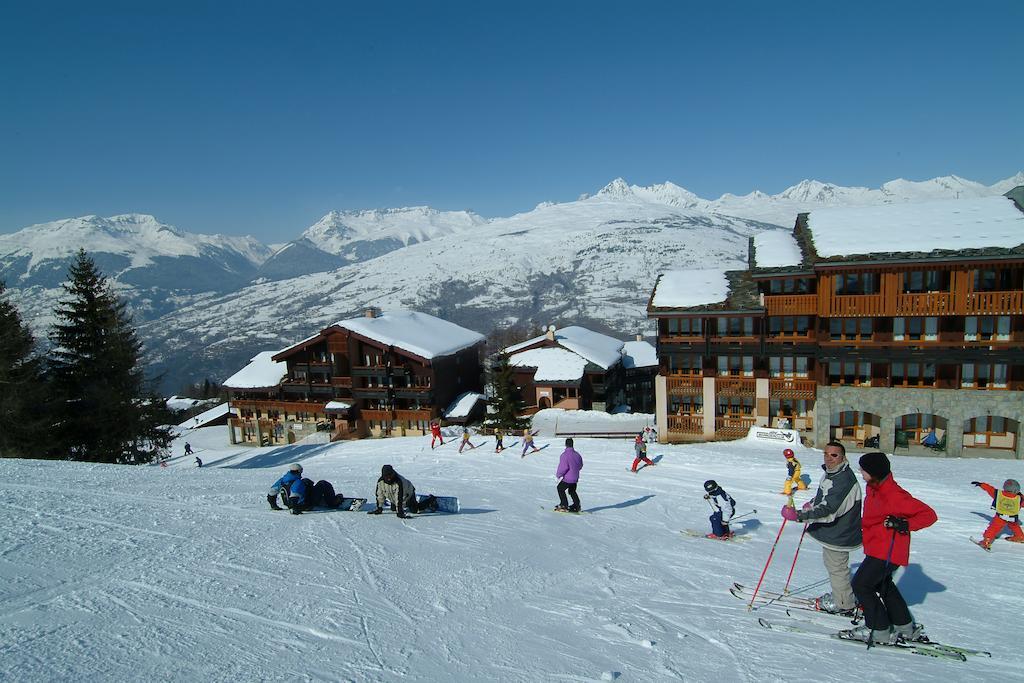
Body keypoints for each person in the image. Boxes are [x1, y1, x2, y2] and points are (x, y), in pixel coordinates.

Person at [846, 452, 937, 645]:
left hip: (888, 550)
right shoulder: (875, 487)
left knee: (862, 585)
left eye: (864, 470)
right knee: (883, 585)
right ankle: (905, 628)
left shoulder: (894, 495)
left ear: (874, 472)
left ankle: (878, 630)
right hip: (878, 547)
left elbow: (929, 515)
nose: (861, 473)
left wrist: (903, 524)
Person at [782, 441, 862, 615]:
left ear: (843, 457)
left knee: (837, 568)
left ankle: (844, 604)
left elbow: (830, 510)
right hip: (834, 532)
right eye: (826, 454)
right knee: (834, 565)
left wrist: (799, 515)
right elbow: (824, 499)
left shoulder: (843, 480)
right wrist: (811, 504)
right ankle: (842, 596)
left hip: (841, 533)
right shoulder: (833, 473)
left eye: (834, 455)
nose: (829, 458)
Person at [971, 478, 1023, 549]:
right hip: (1013, 517)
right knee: (1015, 526)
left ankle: (986, 541)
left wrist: (981, 484)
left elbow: (989, 489)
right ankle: (1020, 537)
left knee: (993, 528)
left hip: (1000, 517)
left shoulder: (998, 494)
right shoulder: (1020, 498)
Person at [554, 438, 583, 512]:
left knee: (560, 488)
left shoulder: (564, 455)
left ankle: (564, 504)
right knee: (572, 491)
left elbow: (563, 467)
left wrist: (558, 475)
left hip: (568, 478)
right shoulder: (577, 455)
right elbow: (580, 465)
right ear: (572, 444)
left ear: (566, 444)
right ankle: (577, 505)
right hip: (575, 478)